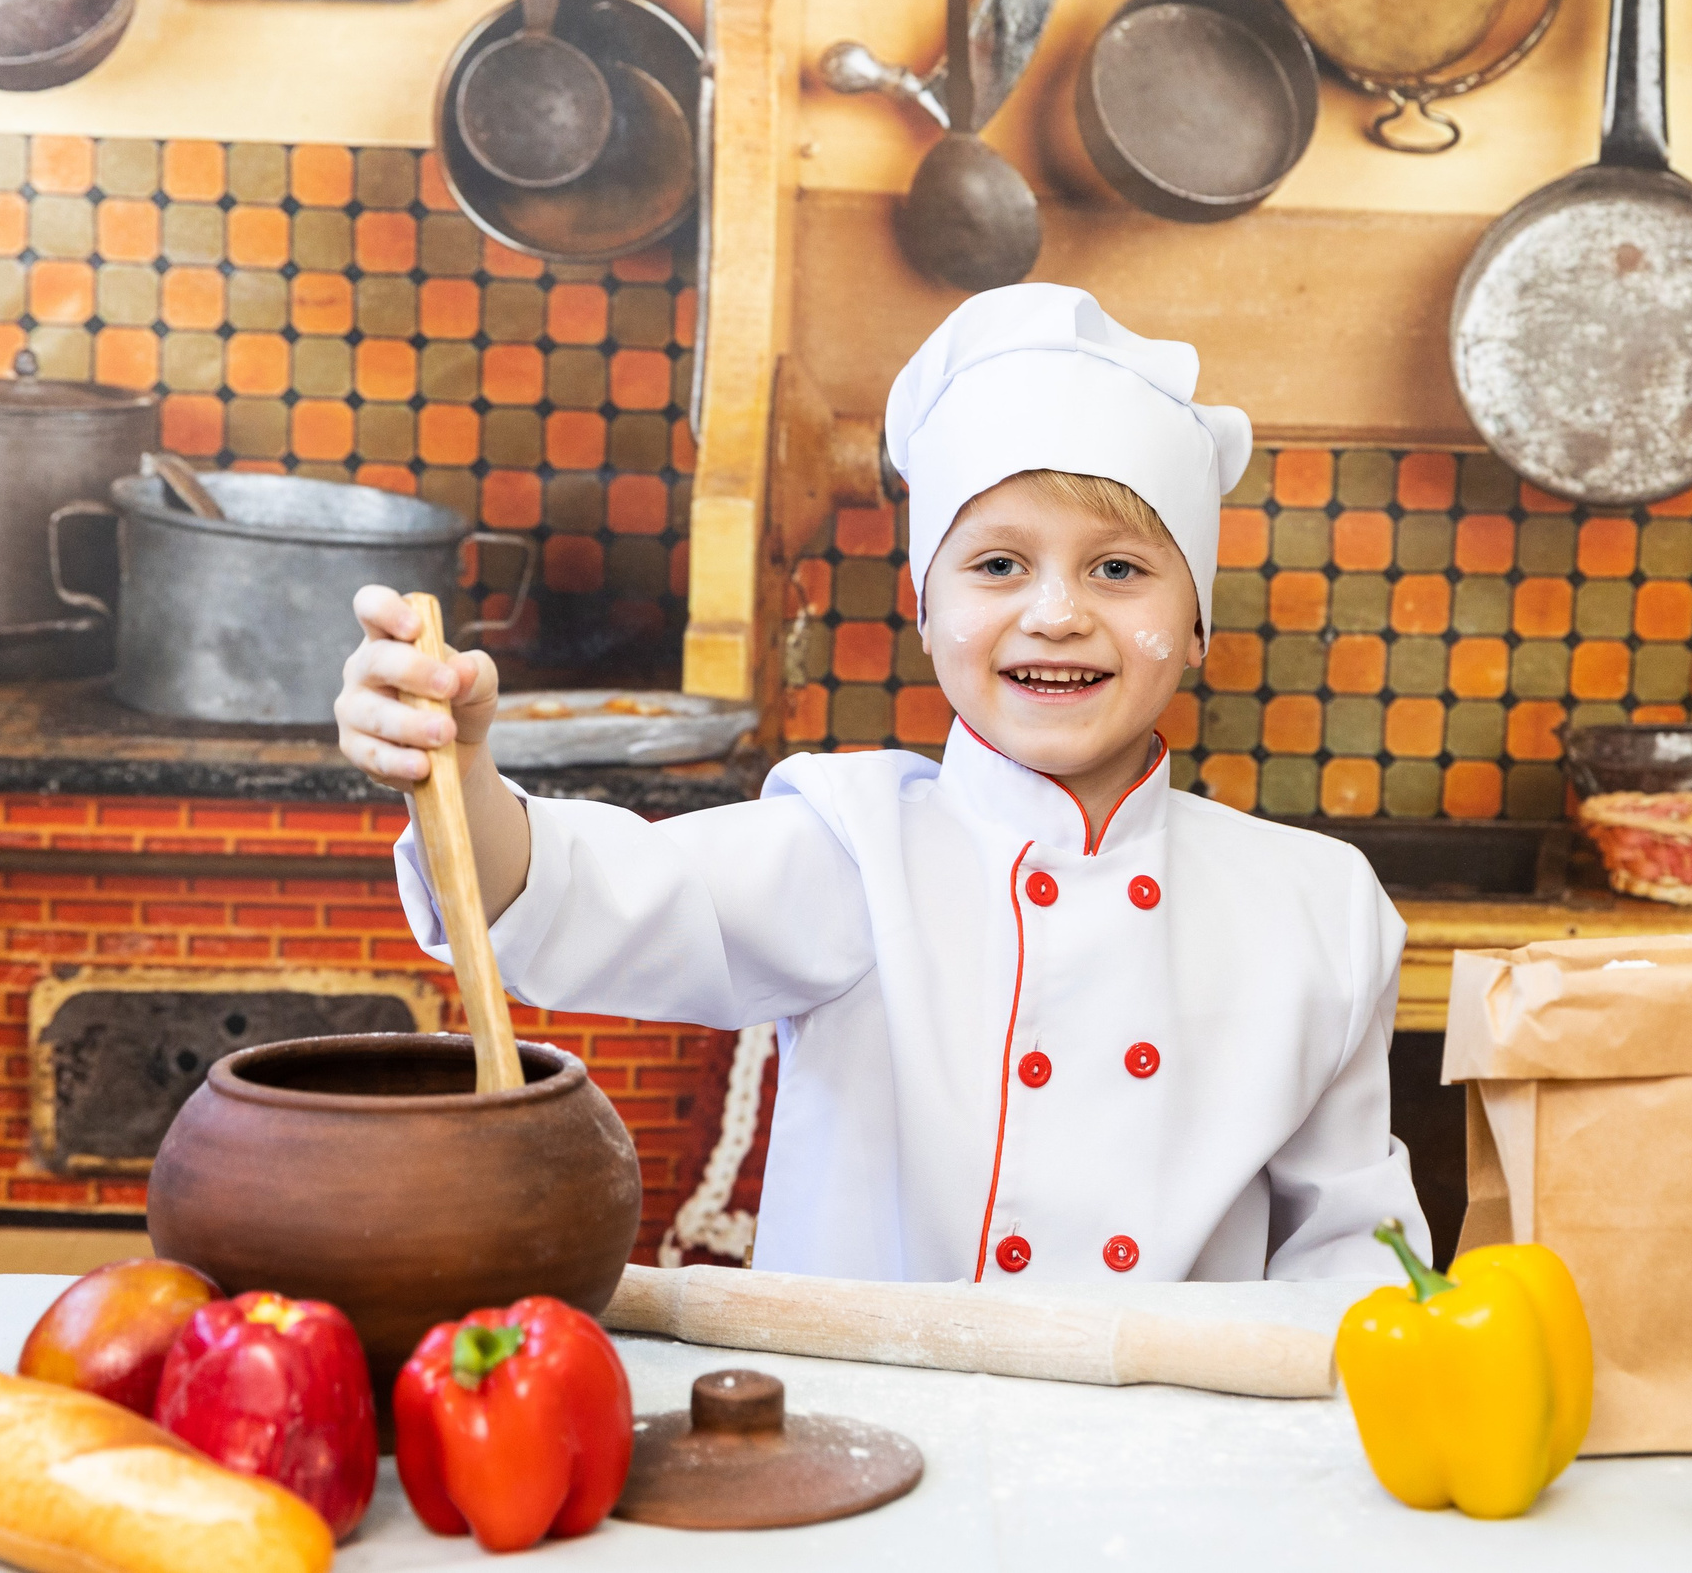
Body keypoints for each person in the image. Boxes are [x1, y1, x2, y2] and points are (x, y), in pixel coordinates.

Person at [335, 283, 1427, 1283]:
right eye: (997, 565)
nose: (1055, 612)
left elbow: (1355, 1264)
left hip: (1175, 1473)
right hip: (874, 1466)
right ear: (921, 607)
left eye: (1120, 568)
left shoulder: (1317, 911)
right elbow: (576, 891)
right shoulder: (851, 849)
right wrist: (459, 765)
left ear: (1194, 625)